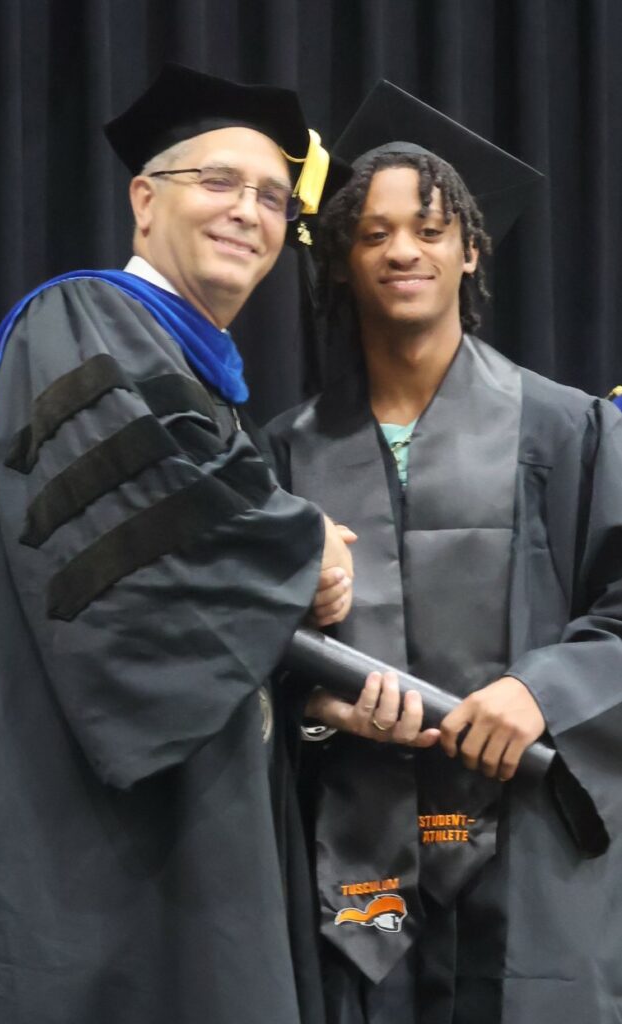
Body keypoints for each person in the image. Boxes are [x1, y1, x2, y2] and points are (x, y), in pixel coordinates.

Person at [0, 63, 358, 1024]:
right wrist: (306, 548)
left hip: (192, 821)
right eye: (216, 182)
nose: (247, 212)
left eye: (266, 195)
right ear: (143, 199)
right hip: (85, 834)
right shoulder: (80, 319)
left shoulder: (198, 374)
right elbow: (146, 545)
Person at [268, 81, 622, 1024]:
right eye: (373, 232)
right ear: (339, 260)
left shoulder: (570, 428)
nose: (401, 251)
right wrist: (314, 711)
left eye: (428, 229)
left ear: (471, 250)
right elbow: (240, 651)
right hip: (352, 874)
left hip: (533, 859)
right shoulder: (284, 454)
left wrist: (540, 690)